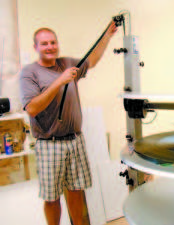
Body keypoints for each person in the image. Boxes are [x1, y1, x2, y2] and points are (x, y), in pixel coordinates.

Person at [20, 21, 118, 225]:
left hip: (74, 140)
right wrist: (59, 81)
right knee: (52, 196)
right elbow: (32, 108)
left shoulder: (66, 63)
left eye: (53, 42)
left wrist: (107, 36)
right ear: (36, 47)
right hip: (49, 144)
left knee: (76, 190)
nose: (50, 47)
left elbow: (91, 60)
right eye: (44, 43)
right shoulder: (30, 72)